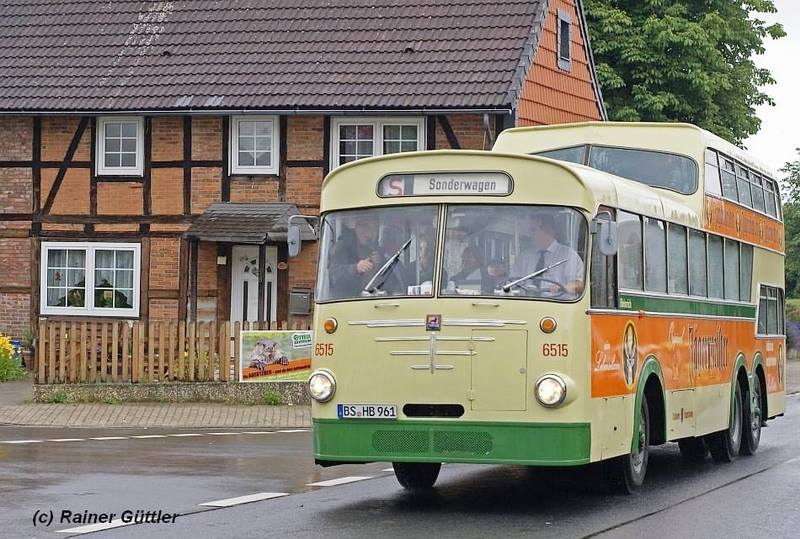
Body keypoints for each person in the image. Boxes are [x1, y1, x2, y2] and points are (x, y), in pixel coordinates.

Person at [511, 213, 584, 297]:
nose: (530, 234)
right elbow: (513, 282)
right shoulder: (524, 256)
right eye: (530, 230)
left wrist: (564, 287)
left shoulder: (569, 255)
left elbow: (580, 283)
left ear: (548, 230)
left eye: (534, 230)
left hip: (557, 305)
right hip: (526, 304)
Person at [328, 214, 383, 297]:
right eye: (367, 228)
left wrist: (380, 263)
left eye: (374, 229)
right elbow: (332, 273)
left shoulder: (376, 248)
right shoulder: (342, 246)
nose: (370, 234)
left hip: (372, 298)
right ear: (358, 227)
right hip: (345, 300)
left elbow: (388, 275)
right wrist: (355, 268)